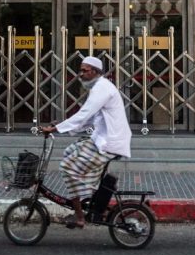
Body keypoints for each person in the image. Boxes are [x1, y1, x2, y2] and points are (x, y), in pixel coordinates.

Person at [39, 55, 131, 229]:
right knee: (69, 152)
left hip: (109, 142)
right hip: (101, 138)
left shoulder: (102, 88)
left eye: (84, 71)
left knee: (67, 166)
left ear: (95, 72)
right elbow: (89, 120)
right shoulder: (99, 87)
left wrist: (56, 130)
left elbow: (84, 114)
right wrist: (60, 125)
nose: (80, 74)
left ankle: (80, 216)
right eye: (80, 70)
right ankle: (91, 200)